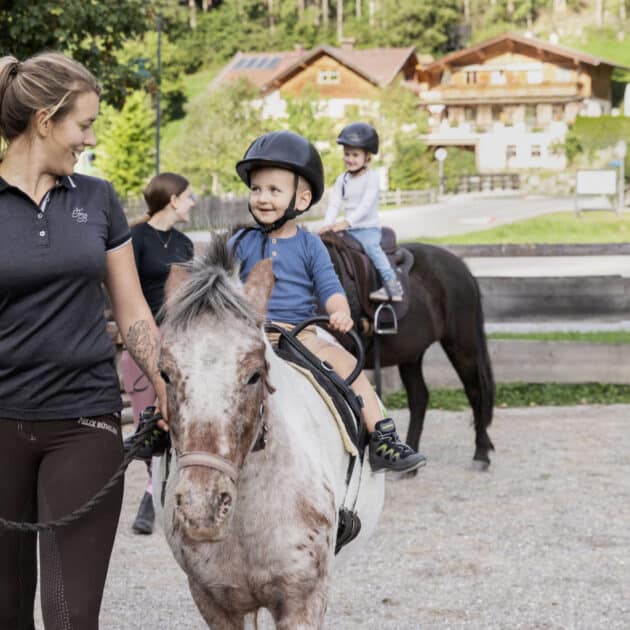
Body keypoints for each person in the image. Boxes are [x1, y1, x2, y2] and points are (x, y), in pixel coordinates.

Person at [0, 52, 167, 630]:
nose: (90, 139)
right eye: (84, 124)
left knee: (70, 615)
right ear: (45, 120)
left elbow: (131, 308)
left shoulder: (96, 199)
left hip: (85, 421)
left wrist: (164, 378)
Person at [230, 130, 426, 474]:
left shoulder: (310, 245)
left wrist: (339, 312)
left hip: (299, 335)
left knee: (348, 366)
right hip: (247, 336)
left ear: (301, 200)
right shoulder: (240, 241)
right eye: (256, 189)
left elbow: (330, 289)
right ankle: (162, 423)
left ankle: (382, 437)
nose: (262, 198)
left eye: (274, 190)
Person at [120, 172, 195, 535]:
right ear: (173, 199)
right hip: (144, 340)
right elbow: (122, 293)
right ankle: (155, 484)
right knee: (147, 426)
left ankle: (155, 495)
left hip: (180, 342)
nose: (194, 202)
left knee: (181, 418)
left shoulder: (184, 244)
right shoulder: (135, 239)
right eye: (189, 196)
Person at [319, 122, 403, 302]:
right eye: (347, 154)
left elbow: (365, 206)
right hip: (348, 230)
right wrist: (327, 224)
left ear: (367, 157)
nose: (350, 159)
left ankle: (392, 285)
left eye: (355, 155)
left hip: (367, 228)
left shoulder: (371, 178)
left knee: (373, 249)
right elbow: (334, 204)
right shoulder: (342, 179)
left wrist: (345, 222)